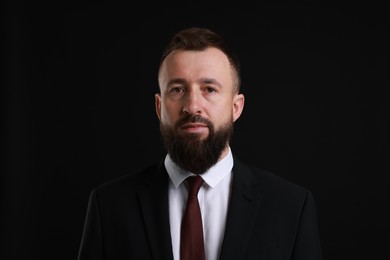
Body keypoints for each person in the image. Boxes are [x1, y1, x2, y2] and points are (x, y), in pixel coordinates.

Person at [77, 27, 323, 260]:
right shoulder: (109, 205)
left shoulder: (291, 207)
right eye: (177, 89)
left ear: (236, 107)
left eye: (209, 89)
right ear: (159, 106)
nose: (192, 106)